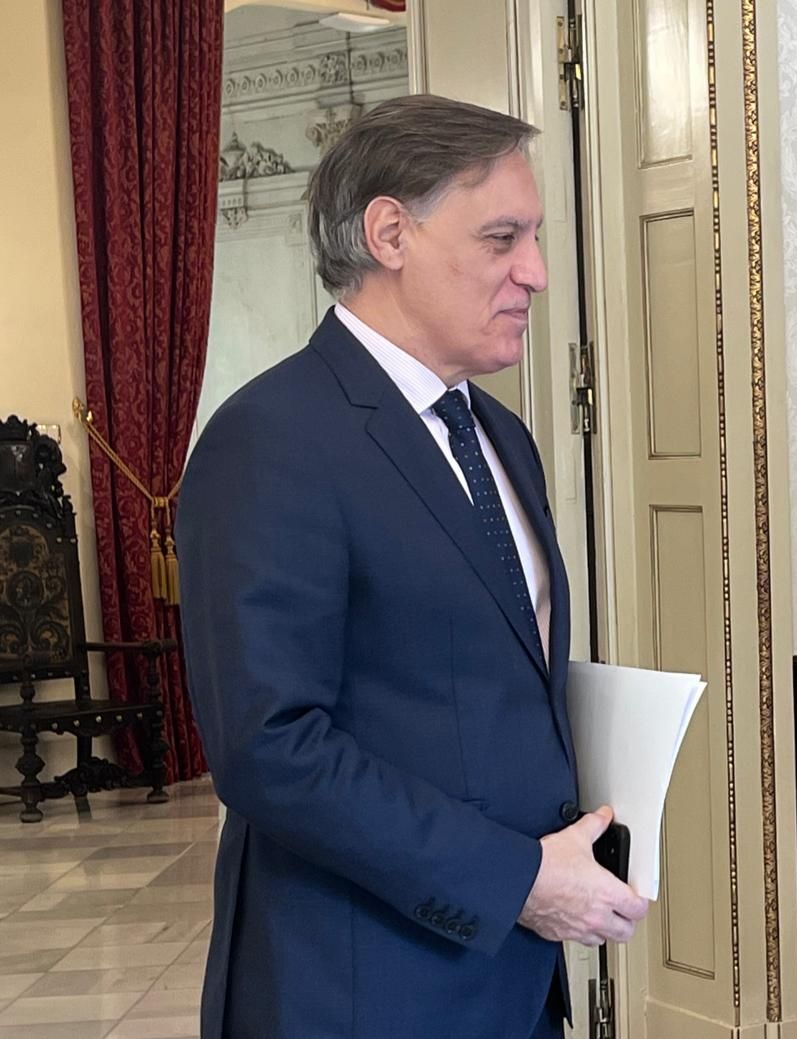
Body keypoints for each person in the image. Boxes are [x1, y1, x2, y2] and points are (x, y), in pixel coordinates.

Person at [177, 95, 647, 1039]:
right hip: (358, 988)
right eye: (502, 237)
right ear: (389, 232)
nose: (537, 273)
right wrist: (512, 880)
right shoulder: (269, 440)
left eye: (536, 236)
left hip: (514, 982)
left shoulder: (501, 437)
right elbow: (270, 747)